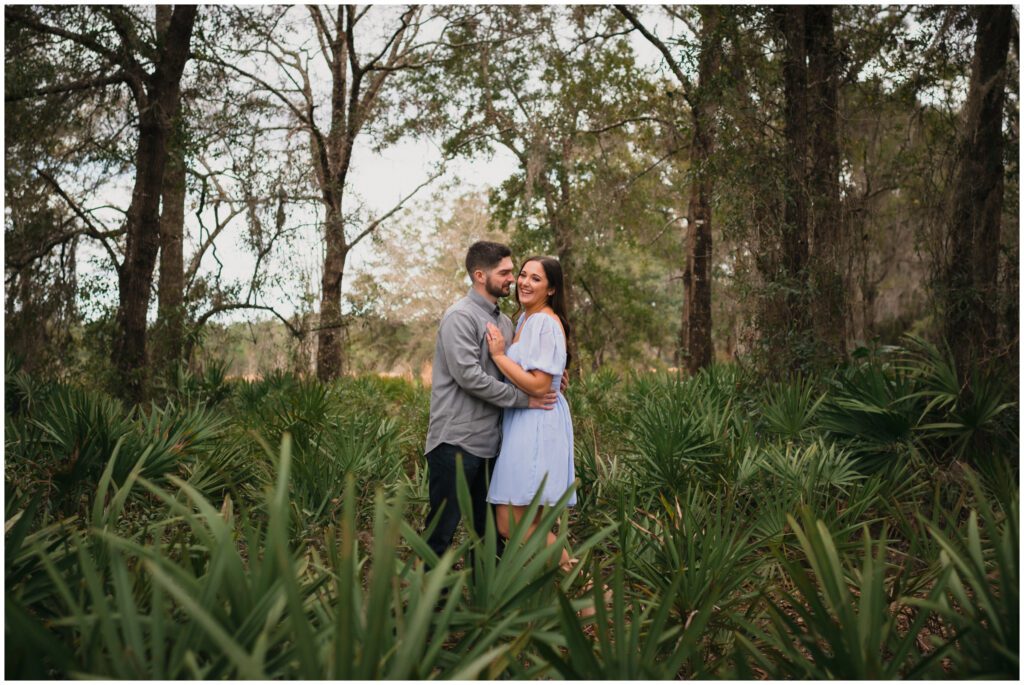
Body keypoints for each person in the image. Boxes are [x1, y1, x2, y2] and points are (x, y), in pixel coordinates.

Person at [423, 241, 557, 563]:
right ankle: (429, 607)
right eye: (506, 272)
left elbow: (518, 369)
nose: (513, 279)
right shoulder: (460, 317)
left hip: (492, 447)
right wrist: (524, 400)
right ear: (480, 276)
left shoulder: (506, 323)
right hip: (455, 443)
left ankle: (486, 604)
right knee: (441, 532)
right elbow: (469, 378)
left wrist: (551, 378)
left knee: (489, 536)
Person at [484, 256, 577, 571]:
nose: (524, 282)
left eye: (536, 279)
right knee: (530, 521)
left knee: (510, 524)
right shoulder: (525, 319)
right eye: (522, 275)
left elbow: (538, 385)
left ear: (551, 289)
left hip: (536, 425)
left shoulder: (543, 322)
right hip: (525, 422)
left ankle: (591, 591)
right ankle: (581, 598)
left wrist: (498, 355)